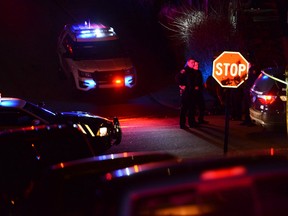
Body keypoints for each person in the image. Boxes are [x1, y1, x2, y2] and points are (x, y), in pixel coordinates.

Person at [175, 57, 207, 129]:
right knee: (184, 109)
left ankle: (191, 123)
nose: (193, 64)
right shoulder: (185, 70)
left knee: (192, 109)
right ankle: (182, 124)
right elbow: (177, 77)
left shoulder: (193, 71)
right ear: (188, 62)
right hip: (186, 93)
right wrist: (181, 85)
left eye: (194, 62)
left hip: (192, 93)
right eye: (192, 62)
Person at [192, 60, 209, 124]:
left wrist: (203, 85)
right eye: (196, 65)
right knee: (193, 107)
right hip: (193, 92)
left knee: (202, 106)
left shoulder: (199, 72)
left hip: (199, 91)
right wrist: (194, 87)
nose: (197, 66)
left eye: (198, 65)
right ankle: (193, 120)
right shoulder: (191, 72)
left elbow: (200, 80)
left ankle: (200, 119)